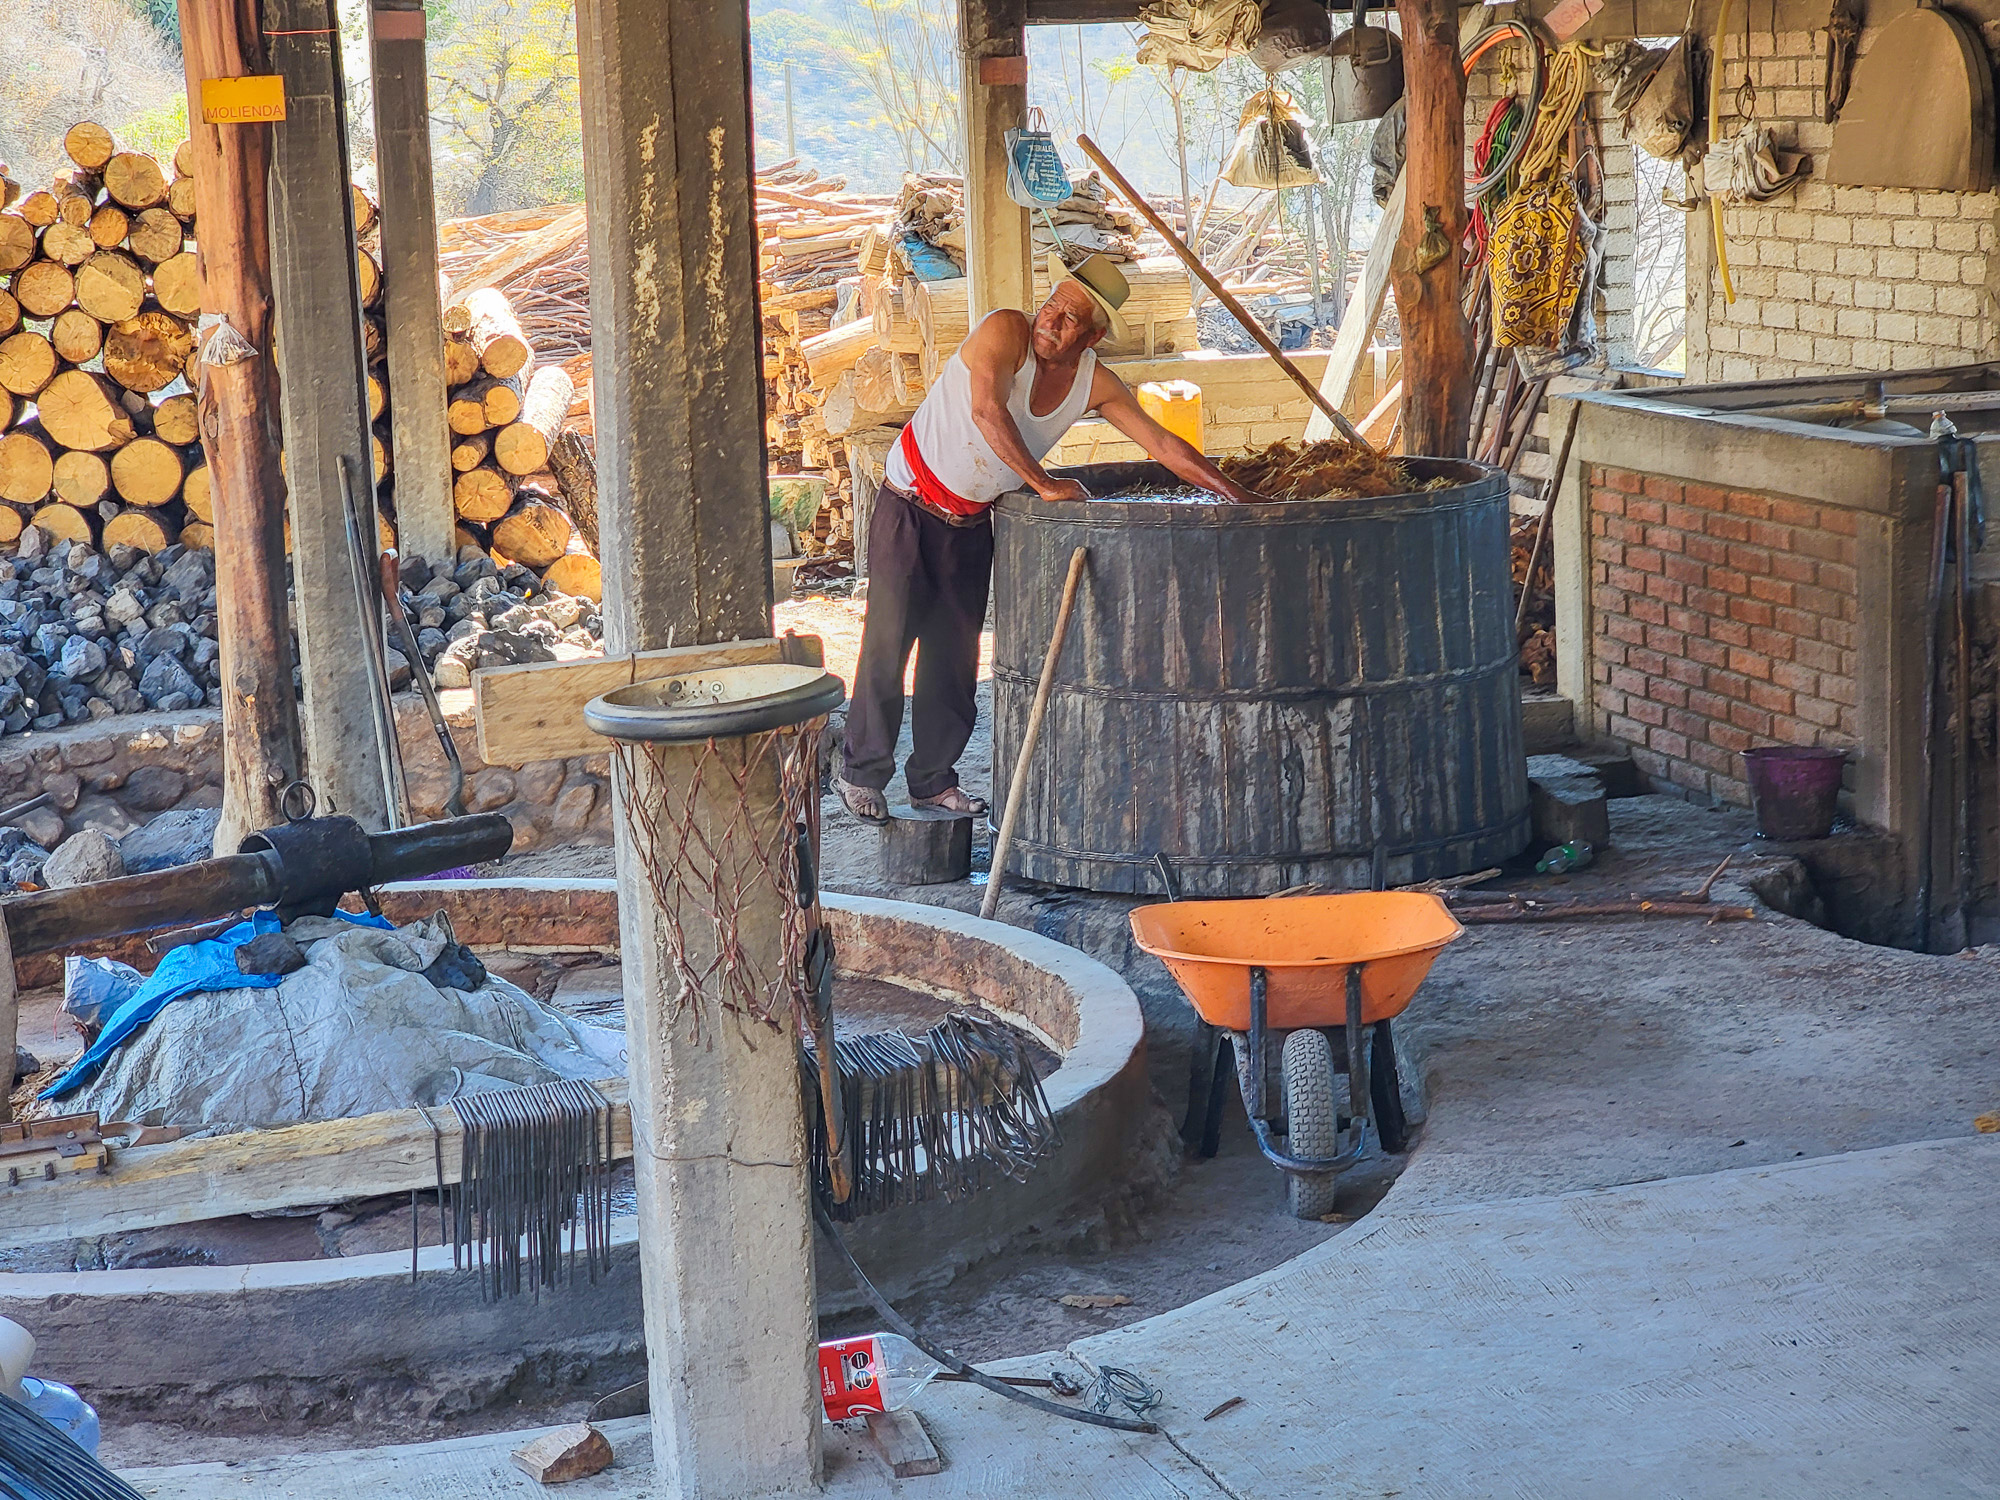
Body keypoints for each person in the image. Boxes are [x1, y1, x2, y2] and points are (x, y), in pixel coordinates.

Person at [835, 252, 1266, 825]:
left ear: (1093, 336)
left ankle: (932, 782)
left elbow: (1162, 446)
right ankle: (861, 775)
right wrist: (1043, 483)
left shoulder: (1095, 382)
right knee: (888, 645)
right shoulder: (1004, 330)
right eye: (1051, 305)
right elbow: (987, 410)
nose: (1049, 320)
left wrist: (1241, 497)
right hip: (909, 505)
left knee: (955, 658)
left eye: (1068, 319)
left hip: (969, 523)